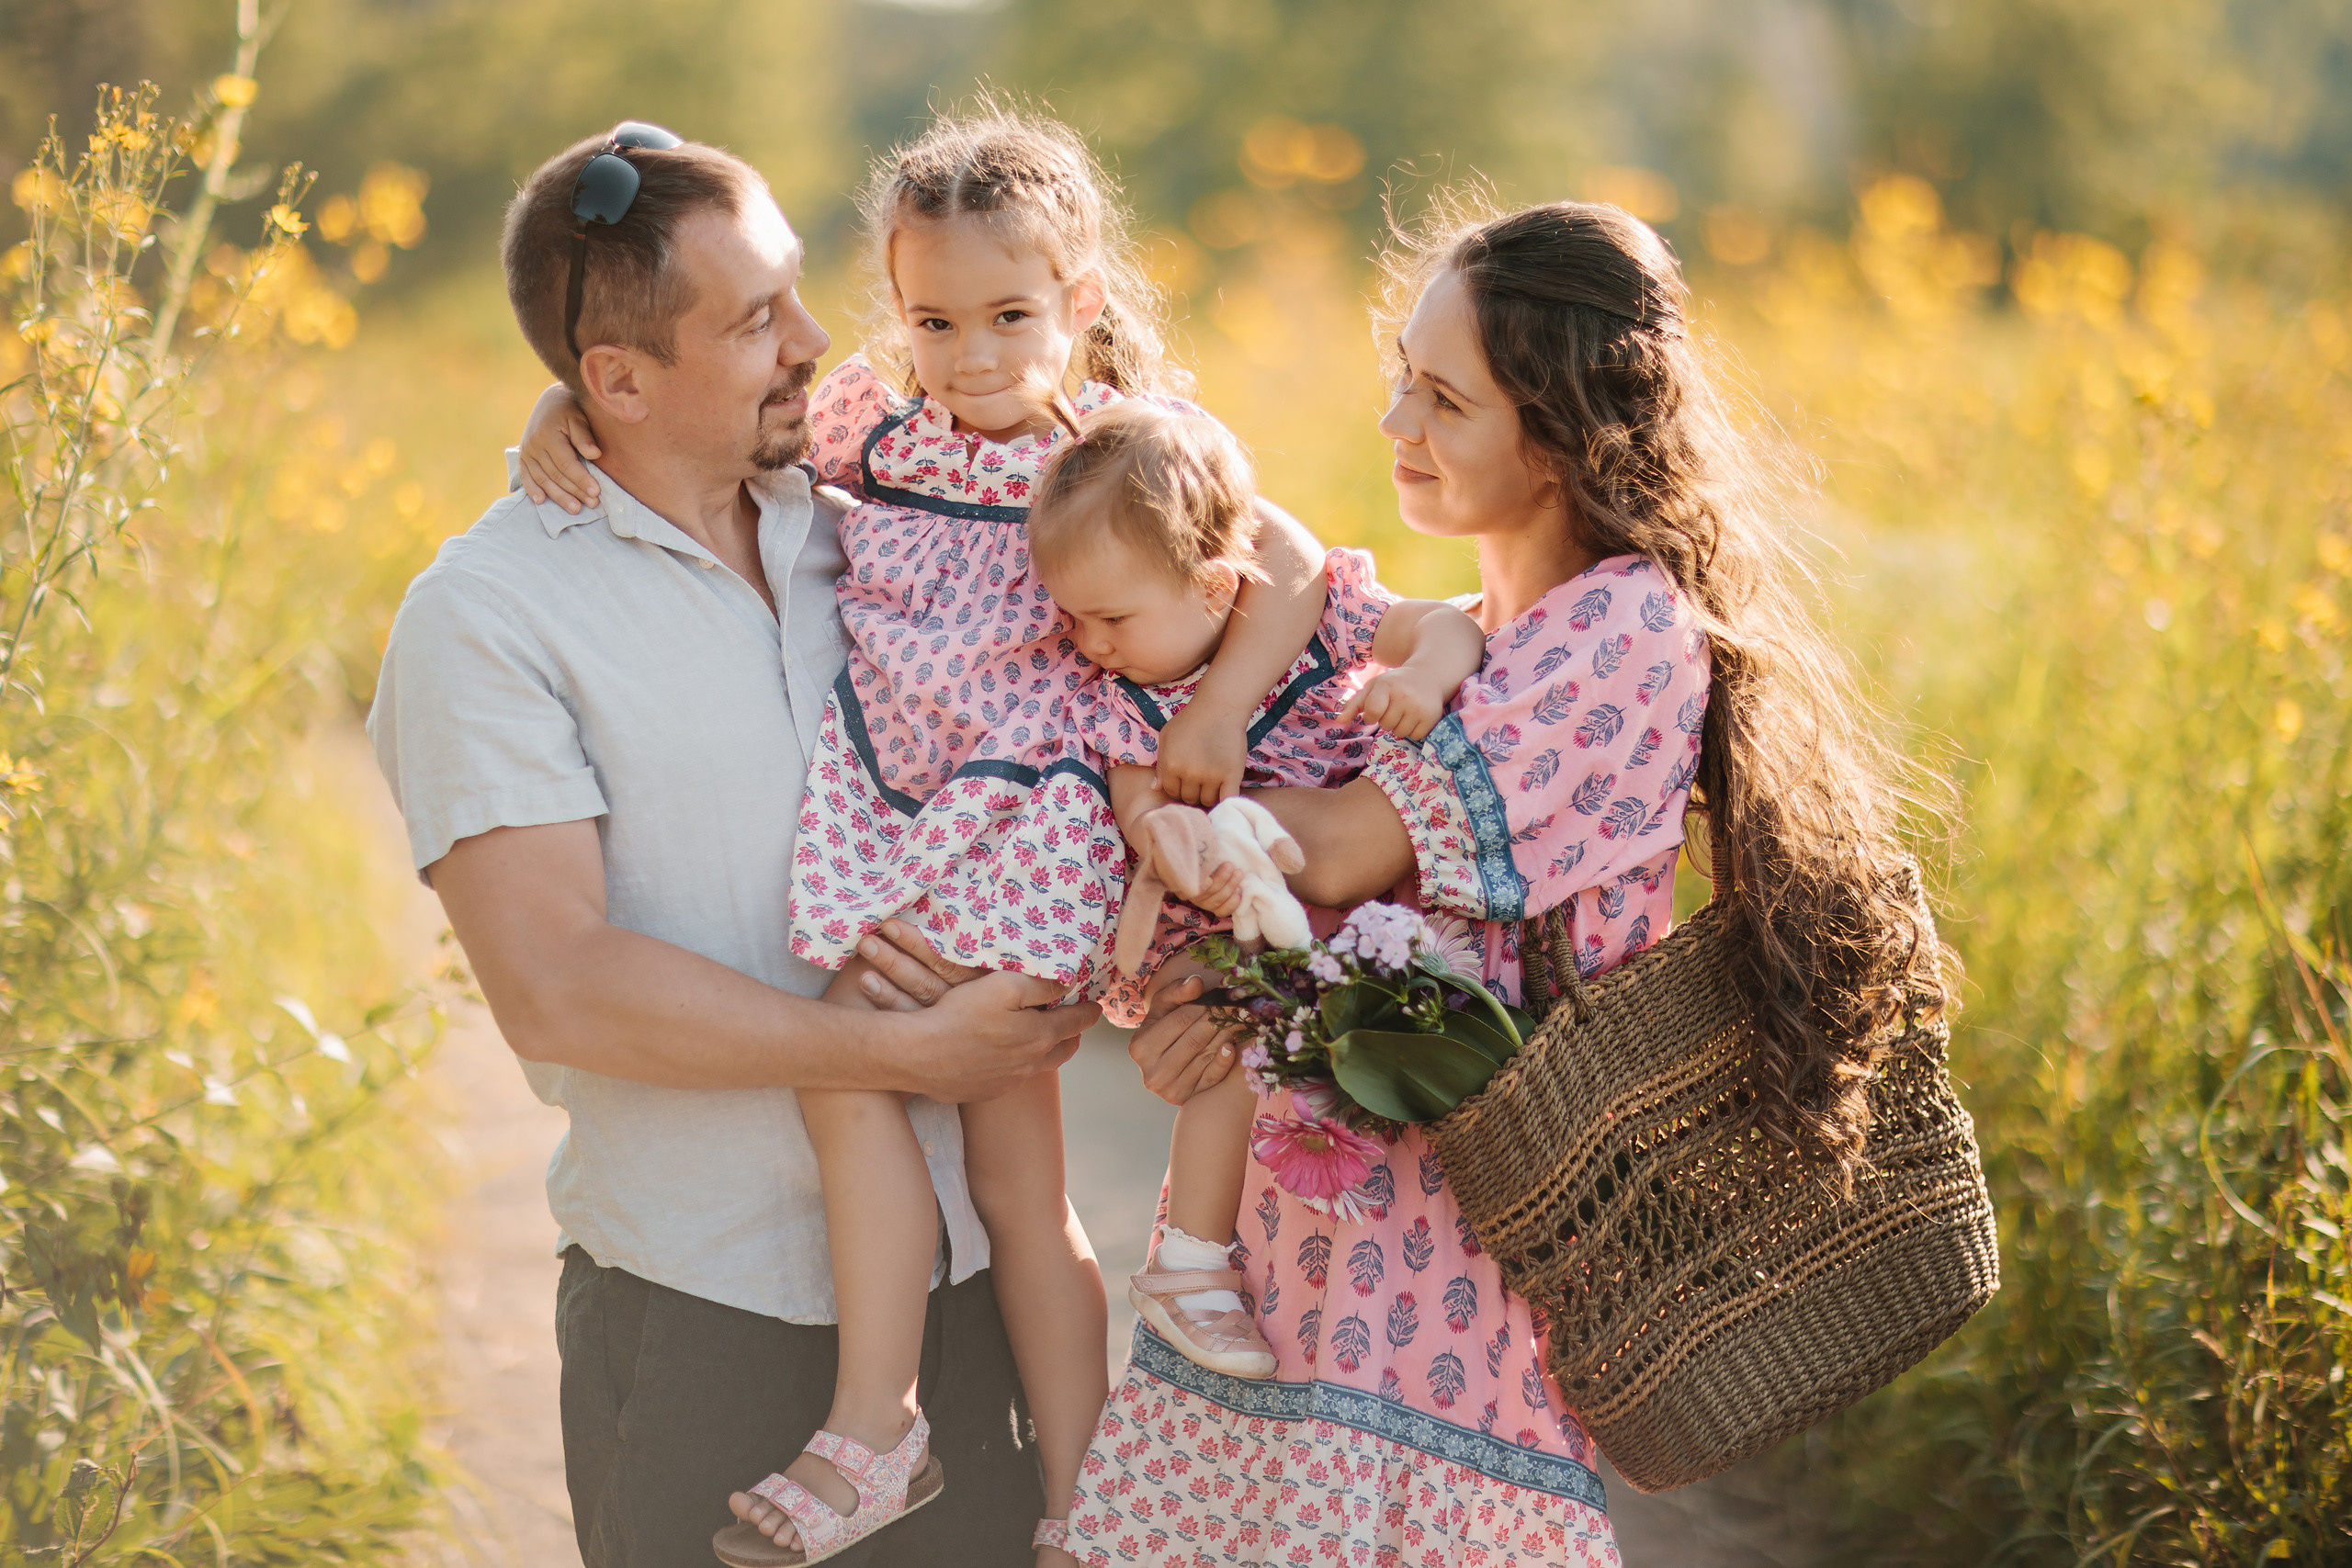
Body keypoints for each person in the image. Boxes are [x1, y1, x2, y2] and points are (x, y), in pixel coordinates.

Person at [1073, 199, 1940, 1567]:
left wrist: (1125, 803)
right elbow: (1261, 915)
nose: (1396, 424)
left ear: (1561, 434)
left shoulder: (1626, 630)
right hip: (1311, 1254)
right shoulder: (1465, 637)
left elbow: (1342, 848)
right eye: (1400, 378)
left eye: (1445, 398)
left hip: (1444, 1280)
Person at [516, 107, 1323, 1568]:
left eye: (1014, 316)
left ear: (1080, 306)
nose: (974, 354)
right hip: (920, 831)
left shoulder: (1122, 449)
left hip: (1041, 832)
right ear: (899, 315)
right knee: (1021, 1188)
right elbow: (681, 416)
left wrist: (1216, 724)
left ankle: (878, 1428)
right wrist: (570, 409)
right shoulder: (874, 432)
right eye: (935, 318)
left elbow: (1290, 560)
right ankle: (1085, 1509)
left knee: (846, 1060)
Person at [368, 125, 1097, 1568]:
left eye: (797, 294)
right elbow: (560, 985)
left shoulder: (882, 518)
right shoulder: (490, 617)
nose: (821, 340)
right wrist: (900, 1057)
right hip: (708, 1322)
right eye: (760, 318)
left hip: (971, 1302)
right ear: (619, 381)